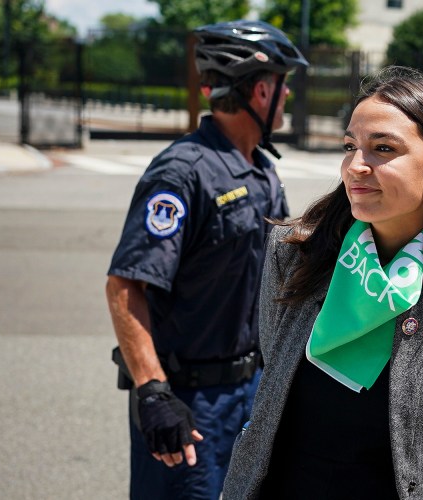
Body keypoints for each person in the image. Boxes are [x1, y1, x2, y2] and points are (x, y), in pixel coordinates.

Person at [221, 66, 423, 499]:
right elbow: (274, 372)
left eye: (383, 149)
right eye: (350, 146)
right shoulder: (294, 253)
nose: (356, 166)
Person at [105, 20, 308, 499]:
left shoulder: (261, 170)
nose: (287, 99)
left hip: (251, 390)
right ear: (260, 90)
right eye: (284, 87)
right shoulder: (183, 173)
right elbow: (125, 285)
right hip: (190, 402)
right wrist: (153, 393)